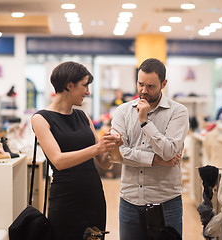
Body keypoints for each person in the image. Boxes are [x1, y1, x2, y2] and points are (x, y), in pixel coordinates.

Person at [31, 61, 120, 240]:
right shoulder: (41, 118)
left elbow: (104, 163)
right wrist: (97, 148)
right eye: (85, 85)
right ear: (69, 85)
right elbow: (59, 161)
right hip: (66, 201)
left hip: (94, 196)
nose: (88, 92)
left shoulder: (82, 116)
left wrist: (112, 146)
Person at [111, 58, 189, 239]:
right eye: (140, 84)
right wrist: (155, 160)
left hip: (166, 201)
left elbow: (169, 152)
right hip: (130, 199)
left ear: (164, 83)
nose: (143, 91)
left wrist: (145, 121)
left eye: (151, 86)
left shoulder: (178, 112)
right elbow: (117, 153)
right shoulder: (122, 111)